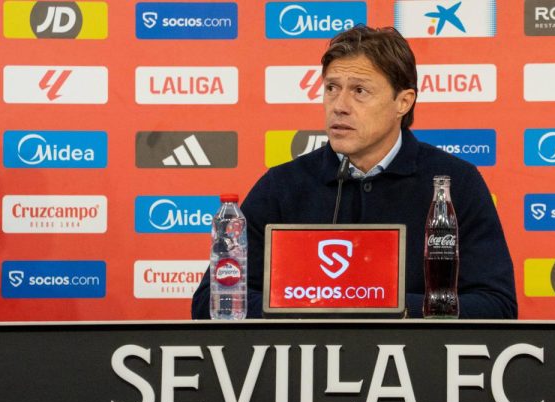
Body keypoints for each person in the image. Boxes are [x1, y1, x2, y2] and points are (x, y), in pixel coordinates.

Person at [192, 25, 516, 319]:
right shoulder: (282, 186)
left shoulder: (453, 184)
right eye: (332, 88)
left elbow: (497, 305)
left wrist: (393, 307)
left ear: (403, 102)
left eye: (359, 91)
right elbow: (213, 299)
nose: (339, 105)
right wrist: (305, 307)